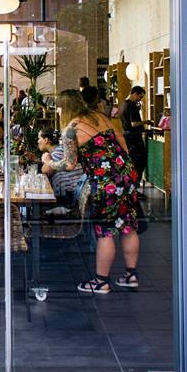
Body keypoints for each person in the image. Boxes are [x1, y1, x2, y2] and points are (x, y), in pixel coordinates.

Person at [44, 89, 141, 294]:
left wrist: (49, 161)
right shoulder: (100, 117)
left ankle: (101, 281)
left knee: (105, 231)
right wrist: (123, 169)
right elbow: (122, 143)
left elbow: (69, 164)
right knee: (128, 226)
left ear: (63, 108)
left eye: (58, 109)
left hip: (104, 181)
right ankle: (131, 275)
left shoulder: (71, 129)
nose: (58, 112)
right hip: (126, 175)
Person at [39, 128, 86, 205]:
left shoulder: (58, 151)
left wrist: (47, 159)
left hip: (71, 196)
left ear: (46, 140)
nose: (38, 141)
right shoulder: (60, 150)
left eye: (39, 138)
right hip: (74, 192)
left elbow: (45, 170)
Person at [121, 86, 149, 177]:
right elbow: (134, 123)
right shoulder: (132, 105)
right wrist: (146, 122)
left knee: (132, 161)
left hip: (127, 136)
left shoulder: (123, 104)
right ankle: (136, 180)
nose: (140, 100)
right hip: (134, 137)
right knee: (140, 161)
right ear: (135, 94)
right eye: (140, 97)